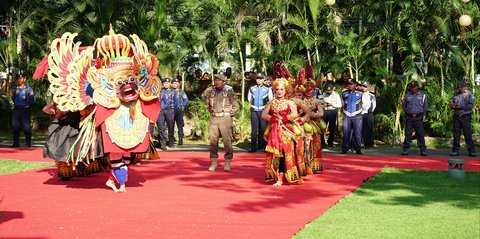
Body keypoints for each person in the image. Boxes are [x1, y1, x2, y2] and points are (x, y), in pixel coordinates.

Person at [262, 78, 302, 186]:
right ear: (274, 91)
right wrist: (274, 119)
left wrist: (284, 117)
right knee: (276, 154)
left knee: (287, 153)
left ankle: (289, 174)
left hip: (287, 130)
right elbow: (264, 115)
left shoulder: (290, 103)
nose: (279, 92)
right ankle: (278, 177)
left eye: (282, 89)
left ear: (286, 91)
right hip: (275, 130)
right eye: (277, 90)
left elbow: (295, 114)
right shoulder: (271, 103)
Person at [205, 73, 240, 172]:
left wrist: (229, 114)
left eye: (219, 80)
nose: (216, 82)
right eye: (215, 80)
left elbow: (236, 106)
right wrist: (214, 113)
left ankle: (227, 161)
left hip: (225, 118)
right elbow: (207, 105)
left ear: (223, 82)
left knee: (227, 140)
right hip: (214, 118)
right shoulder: (211, 92)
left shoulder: (229, 92)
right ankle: (214, 161)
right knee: (213, 141)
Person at [341, 78, 368, 155]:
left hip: (357, 116)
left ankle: (358, 149)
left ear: (355, 85)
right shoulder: (344, 93)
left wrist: (361, 112)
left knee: (357, 133)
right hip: (347, 115)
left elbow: (365, 104)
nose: (350, 86)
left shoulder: (360, 93)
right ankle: (345, 149)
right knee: (346, 133)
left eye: (351, 84)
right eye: (348, 84)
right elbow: (342, 103)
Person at [247, 73, 273, 152]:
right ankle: (253, 147)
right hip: (254, 111)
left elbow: (270, 100)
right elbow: (249, 98)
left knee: (263, 129)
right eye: (257, 78)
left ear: (264, 80)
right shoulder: (252, 88)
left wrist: (267, 110)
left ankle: (263, 146)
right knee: (254, 130)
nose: (259, 80)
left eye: (261, 79)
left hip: (263, 111)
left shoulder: (267, 89)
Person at [450, 80, 477, 157]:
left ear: (465, 87)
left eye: (461, 88)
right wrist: (452, 106)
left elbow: (471, 106)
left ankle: (471, 151)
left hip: (465, 117)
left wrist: (461, 106)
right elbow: (451, 103)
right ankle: (455, 150)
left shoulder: (469, 94)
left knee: (467, 134)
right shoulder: (455, 94)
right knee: (456, 134)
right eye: (458, 88)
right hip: (456, 117)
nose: (459, 89)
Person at [402, 80, 428, 156]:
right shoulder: (407, 95)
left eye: (414, 87)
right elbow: (404, 105)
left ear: (417, 87)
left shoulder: (422, 95)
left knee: (420, 134)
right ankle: (406, 149)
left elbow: (425, 106)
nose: (413, 88)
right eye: (411, 87)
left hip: (418, 117)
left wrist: (422, 115)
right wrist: (407, 112)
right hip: (409, 117)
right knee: (408, 134)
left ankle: (422, 150)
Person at [9, 73, 35, 148]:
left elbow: (32, 99)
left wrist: (28, 105)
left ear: (24, 79)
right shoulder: (15, 88)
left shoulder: (28, 89)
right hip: (17, 110)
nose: (19, 80)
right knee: (15, 126)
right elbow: (12, 97)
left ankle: (28, 143)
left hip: (25, 110)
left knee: (26, 127)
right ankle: (16, 143)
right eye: (18, 78)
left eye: (21, 78)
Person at [321, 83, 342, 148]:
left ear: (333, 89)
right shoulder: (323, 94)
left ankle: (330, 142)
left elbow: (339, 105)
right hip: (324, 111)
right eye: (327, 90)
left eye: (330, 90)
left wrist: (332, 104)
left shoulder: (336, 95)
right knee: (322, 127)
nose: (328, 92)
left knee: (332, 128)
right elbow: (320, 103)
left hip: (332, 111)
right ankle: (322, 143)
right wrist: (323, 104)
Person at [157, 77, 174, 150]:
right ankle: (162, 144)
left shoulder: (173, 92)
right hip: (160, 110)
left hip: (169, 110)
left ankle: (171, 142)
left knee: (170, 126)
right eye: (165, 83)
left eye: (167, 83)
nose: (166, 84)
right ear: (163, 84)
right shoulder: (159, 91)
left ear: (169, 83)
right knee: (161, 127)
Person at [171, 76, 189, 146]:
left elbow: (186, 100)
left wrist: (182, 106)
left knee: (180, 125)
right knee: (171, 125)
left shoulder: (181, 92)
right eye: (173, 83)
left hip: (178, 110)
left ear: (178, 84)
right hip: (171, 110)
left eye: (176, 83)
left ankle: (180, 139)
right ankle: (171, 140)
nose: (174, 84)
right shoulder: (169, 91)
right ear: (171, 84)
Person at [358, 81, 376, 149]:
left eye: (365, 86)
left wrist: (370, 111)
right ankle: (365, 143)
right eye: (363, 86)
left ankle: (370, 143)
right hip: (361, 113)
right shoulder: (359, 94)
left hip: (368, 114)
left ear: (368, 87)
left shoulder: (371, 95)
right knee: (363, 129)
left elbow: (374, 105)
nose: (363, 88)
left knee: (369, 128)